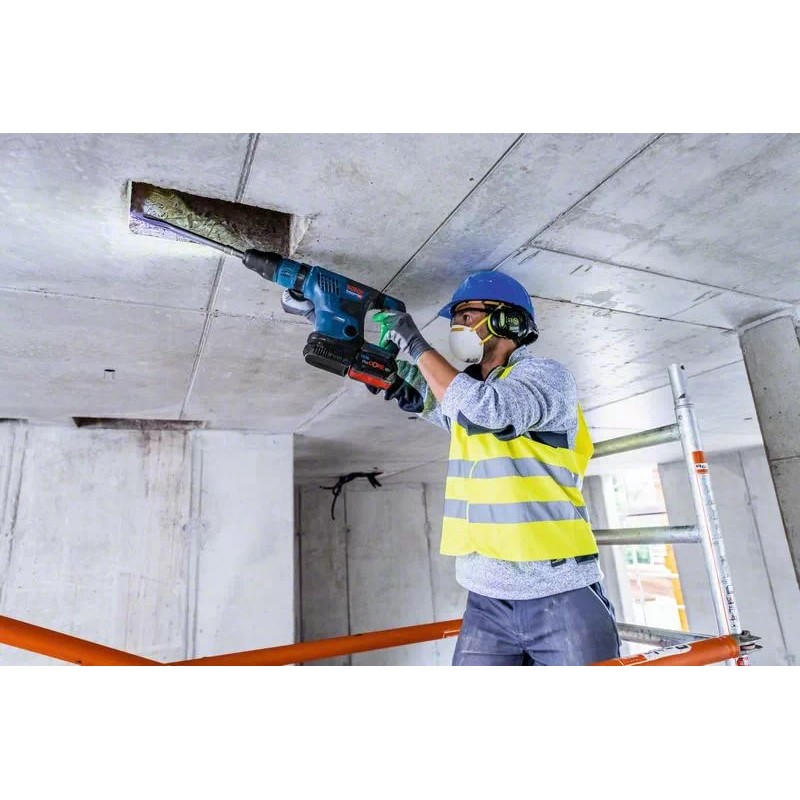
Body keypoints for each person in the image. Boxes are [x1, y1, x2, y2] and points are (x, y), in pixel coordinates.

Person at [282, 272, 620, 666]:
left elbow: (489, 410)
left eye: (466, 315)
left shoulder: (545, 377)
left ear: (508, 320)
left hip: (559, 589)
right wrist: (331, 327)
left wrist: (416, 344)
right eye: (455, 318)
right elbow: (413, 389)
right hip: (486, 599)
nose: (457, 326)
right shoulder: (465, 396)